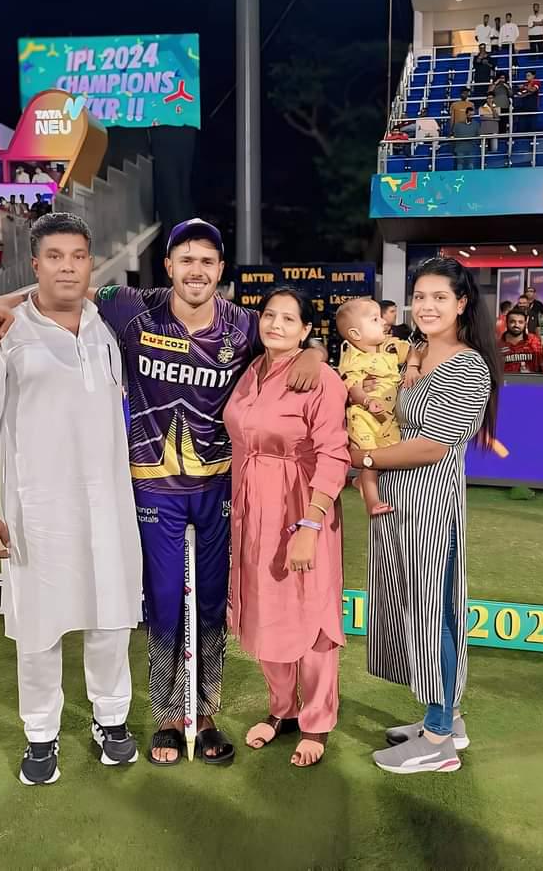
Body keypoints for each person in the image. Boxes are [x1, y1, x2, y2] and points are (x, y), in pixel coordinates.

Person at [0, 217, 326, 766]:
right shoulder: (130, 305)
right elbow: (67, 284)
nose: (196, 270)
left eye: (207, 261)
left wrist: (315, 351)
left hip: (217, 490)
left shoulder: (242, 324)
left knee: (211, 607)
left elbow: (290, 333)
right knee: (162, 605)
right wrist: (2, 299)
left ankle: (204, 716)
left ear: (220, 270)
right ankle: (167, 718)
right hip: (150, 490)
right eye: (186, 259)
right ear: (168, 267)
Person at [0, 213, 143, 786]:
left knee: (110, 621)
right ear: (34, 264)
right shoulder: (2, 333)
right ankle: (41, 734)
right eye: (54, 256)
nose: (67, 266)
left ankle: (111, 721)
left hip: (109, 507)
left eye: (78, 256)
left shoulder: (110, 322)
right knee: (38, 629)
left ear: (91, 263)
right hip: (35, 511)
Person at [349, 257, 500, 774]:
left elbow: (432, 446)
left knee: (432, 615)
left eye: (440, 297)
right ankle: (447, 719)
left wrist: (362, 458)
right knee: (419, 611)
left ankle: (437, 742)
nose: (427, 305)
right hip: (399, 505)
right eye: (420, 295)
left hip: (431, 508)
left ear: (462, 304)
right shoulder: (414, 352)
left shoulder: (467, 365)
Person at [223, 289, 349, 769]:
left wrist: (310, 524)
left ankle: (316, 721)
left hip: (301, 503)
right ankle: (283, 709)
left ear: (304, 330)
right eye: (269, 315)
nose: (275, 324)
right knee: (264, 606)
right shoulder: (250, 371)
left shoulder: (319, 377)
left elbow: (334, 453)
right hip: (251, 507)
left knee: (312, 613)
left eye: (288, 318)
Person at [335, 298, 418, 516]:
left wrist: (412, 367)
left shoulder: (390, 345)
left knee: (390, 453)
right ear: (355, 334)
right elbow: (352, 386)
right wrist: (366, 401)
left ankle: (363, 482)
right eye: (374, 319)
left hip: (389, 416)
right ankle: (372, 500)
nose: (383, 321)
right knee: (370, 460)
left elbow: (414, 352)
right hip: (363, 416)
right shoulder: (350, 356)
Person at [498, 308, 543, 373]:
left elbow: (541, 368)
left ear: (525, 324)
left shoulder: (534, 342)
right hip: (505, 382)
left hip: (529, 381)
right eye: (512, 322)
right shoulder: (497, 345)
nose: (516, 325)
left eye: (520, 322)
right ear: (507, 323)